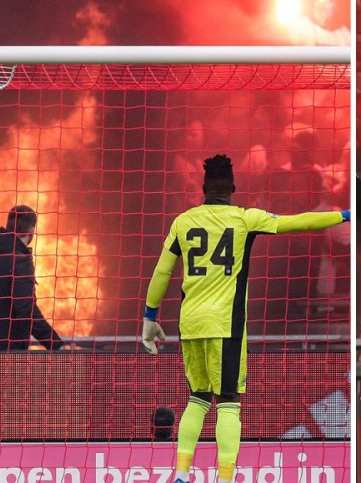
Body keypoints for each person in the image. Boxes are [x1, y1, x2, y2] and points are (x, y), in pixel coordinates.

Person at [141, 154, 349, 483]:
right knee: (228, 401)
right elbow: (298, 222)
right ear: (234, 188)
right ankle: (225, 478)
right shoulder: (244, 219)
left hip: (190, 324)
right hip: (226, 324)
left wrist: (149, 318)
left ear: (202, 189)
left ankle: (181, 474)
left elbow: (162, 271)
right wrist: (344, 214)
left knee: (197, 397)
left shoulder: (183, 222)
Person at [0, 205, 68, 351]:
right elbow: (26, 311)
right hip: (7, 354)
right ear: (31, 232)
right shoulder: (20, 261)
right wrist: (55, 344)